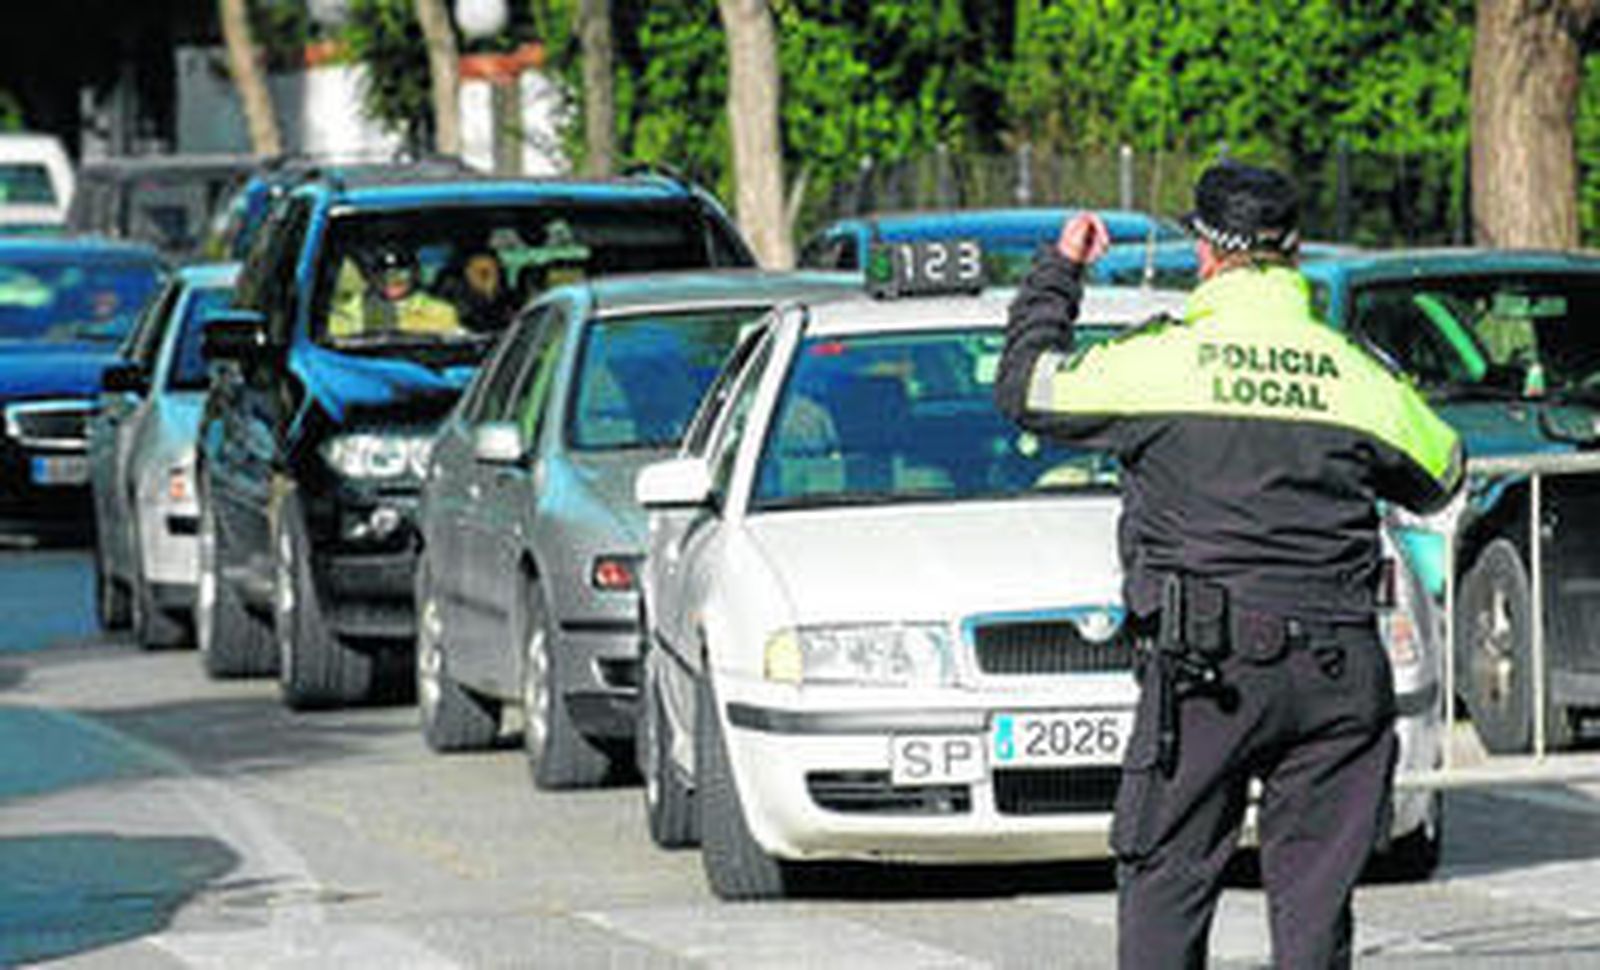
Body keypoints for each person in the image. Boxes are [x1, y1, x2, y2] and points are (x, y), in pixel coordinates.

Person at [994, 160, 1463, 969]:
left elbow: (1026, 386)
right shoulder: (1349, 370)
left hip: (1204, 670)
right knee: (1314, 910)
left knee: (1168, 881)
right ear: (1296, 250)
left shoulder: (1158, 363)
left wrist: (1060, 272)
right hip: (1335, 668)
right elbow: (1443, 473)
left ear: (1206, 253)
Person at [328, 245, 460, 338]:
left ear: (415, 275)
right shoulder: (347, 313)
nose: (393, 281)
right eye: (384, 275)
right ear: (372, 278)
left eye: (401, 274)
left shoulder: (441, 312)